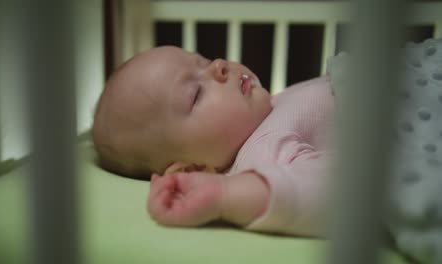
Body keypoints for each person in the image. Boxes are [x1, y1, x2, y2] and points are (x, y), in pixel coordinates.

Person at [92, 45, 336, 236]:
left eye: (205, 61)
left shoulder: (270, 112)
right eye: (196, 94)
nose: (218, 66)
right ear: (193, 168)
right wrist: (225, 196)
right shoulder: (263, 151)